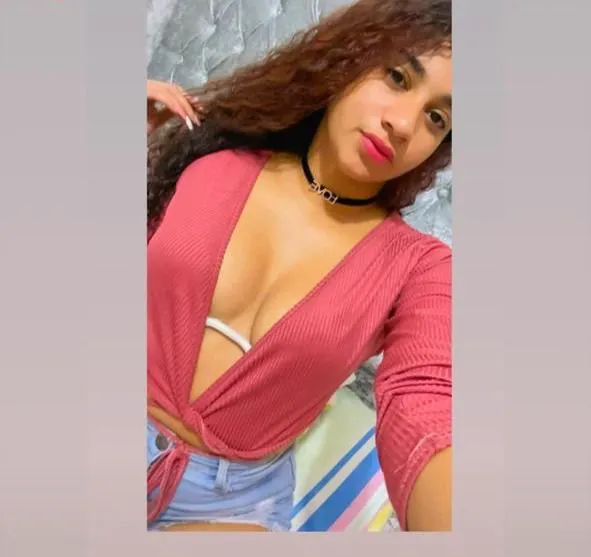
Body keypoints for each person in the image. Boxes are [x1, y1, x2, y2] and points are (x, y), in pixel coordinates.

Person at [147, 0, 452, 533]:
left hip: (229, 501)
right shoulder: (212, 158)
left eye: (436, 118)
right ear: (350, 58)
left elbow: (429, 401)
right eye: (397, 76)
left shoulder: (418, 267)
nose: (403, 124)